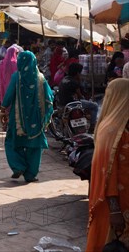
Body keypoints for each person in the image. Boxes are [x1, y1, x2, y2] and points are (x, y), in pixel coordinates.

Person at [86, 78, 129, 251]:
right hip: (114, 203)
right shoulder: (112, 130)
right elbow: (107, 173)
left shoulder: (120, 127)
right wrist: (114, 210)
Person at [0, 51, 54, 183]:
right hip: (36, 119)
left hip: (17, 119)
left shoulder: (16, 77)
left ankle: (18, 166)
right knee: (34, 147)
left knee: (12, 142)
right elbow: (49, 98)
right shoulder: (41, 79)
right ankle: (30, 175)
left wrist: (3, 109)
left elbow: (9, 95)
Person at [57, 63, 100, 132]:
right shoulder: (74, 82)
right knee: (94, 106)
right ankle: (92, 126)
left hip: (62, 104)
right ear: (77, 73)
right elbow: (80, 96)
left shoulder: (64, 79)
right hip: (73, 104)